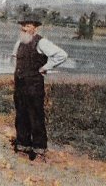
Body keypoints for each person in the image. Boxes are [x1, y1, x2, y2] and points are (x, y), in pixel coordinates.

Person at [11, 13, 68, 161]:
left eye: (28, 25)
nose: (24, 28)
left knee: (35, 116)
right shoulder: (19, 43)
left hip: (34, 86)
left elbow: (62, 55)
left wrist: (45, 68)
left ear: (35, 29)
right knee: (21, 115)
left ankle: (39, 151)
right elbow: (15, 59)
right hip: (20, 85)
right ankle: (23, 146)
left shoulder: (42, 43)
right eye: (23, 25)